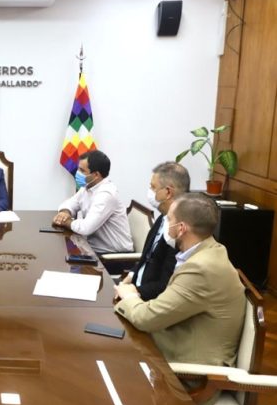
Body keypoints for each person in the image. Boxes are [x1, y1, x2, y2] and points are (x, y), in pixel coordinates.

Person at [114, 194, 245, 382]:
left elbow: (147, 319)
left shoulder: (200, 269)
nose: (165, 225)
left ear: (181, 228)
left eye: (169, 220)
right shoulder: (209, 250)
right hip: (172, 345)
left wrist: (129, 295)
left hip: (191, 375)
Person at [123, 162, 190, 300]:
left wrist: (133, 292)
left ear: (168, 192)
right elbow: (148, 257)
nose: (150, 191)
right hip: (133, 288)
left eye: (153, 187)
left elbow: (166, 285)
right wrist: (131, 275)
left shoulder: (179, 232)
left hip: (147, 299)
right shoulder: (163, 217)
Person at [52, 150, 132, 253]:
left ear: (96, 175)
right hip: (93, 248)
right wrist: (65, 212)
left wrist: (65, 221)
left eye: (82, 170)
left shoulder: (106, 194)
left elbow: (85, 228)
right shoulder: (87, 188)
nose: (77, 173)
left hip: (113, 255)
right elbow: (70, 203)